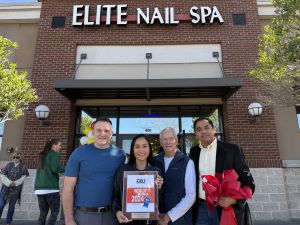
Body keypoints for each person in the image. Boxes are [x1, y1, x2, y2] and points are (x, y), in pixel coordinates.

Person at [189, 117, 255, 225]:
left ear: (214, 130)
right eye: (199, 129)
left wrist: (234, 200)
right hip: (201, 208)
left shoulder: (232, 150)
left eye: (207, 127)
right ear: (196, 134)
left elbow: (248, 182)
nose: (203, 131)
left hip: (225, 208)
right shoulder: (194, 152)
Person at [62, 117, 126, 225]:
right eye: (99, 130)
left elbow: (127, 182)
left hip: (112, 216)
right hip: (84, 216)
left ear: (112, 134)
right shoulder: (79, 153)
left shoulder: (120, 155)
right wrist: (69, 220)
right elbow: (68, 188)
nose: (103, 133)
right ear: (93, 132)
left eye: (106, 131)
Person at [113, 134, 163, 225]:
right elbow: (115, 195)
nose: (141, 150)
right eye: (137, 147)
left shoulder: (156, 172)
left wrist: (158, 189)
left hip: (149, 222)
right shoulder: (123, 170)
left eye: (145, 146)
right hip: (127, 221)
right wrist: (117, 212)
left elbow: (160, 201)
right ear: (132, 149)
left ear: (149, 149)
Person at [152, 127, 196, 225]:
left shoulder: (187, 162)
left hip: (180, 219)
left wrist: (169, 216)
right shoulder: (154, 161)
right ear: (160, 142)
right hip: (157, 218)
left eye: (171, 138)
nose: (168, 142)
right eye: (165, 139)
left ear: (176, 141)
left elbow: (191, 196)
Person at [34, 138, 65, 225]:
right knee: (54, 213)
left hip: (39, 189)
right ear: (54, 146)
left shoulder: (42, 155)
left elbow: (47, 171)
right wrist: (69, 168)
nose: (60, 147)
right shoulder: (54, 154)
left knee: (42, 214)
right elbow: (56, 168)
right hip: (51, 189)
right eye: (59, 145)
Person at [0, 152, 29, 225]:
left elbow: (23, 177)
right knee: (1, 205)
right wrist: (9, 183)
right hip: (5, 189)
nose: (15, 158)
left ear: (20, 158)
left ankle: (8, 222)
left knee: (11, 207)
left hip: (15, 190)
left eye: (17, 157)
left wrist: (15, 183)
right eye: (14, 157)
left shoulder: (23, 166)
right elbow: (3, 176)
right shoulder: (8, 165)